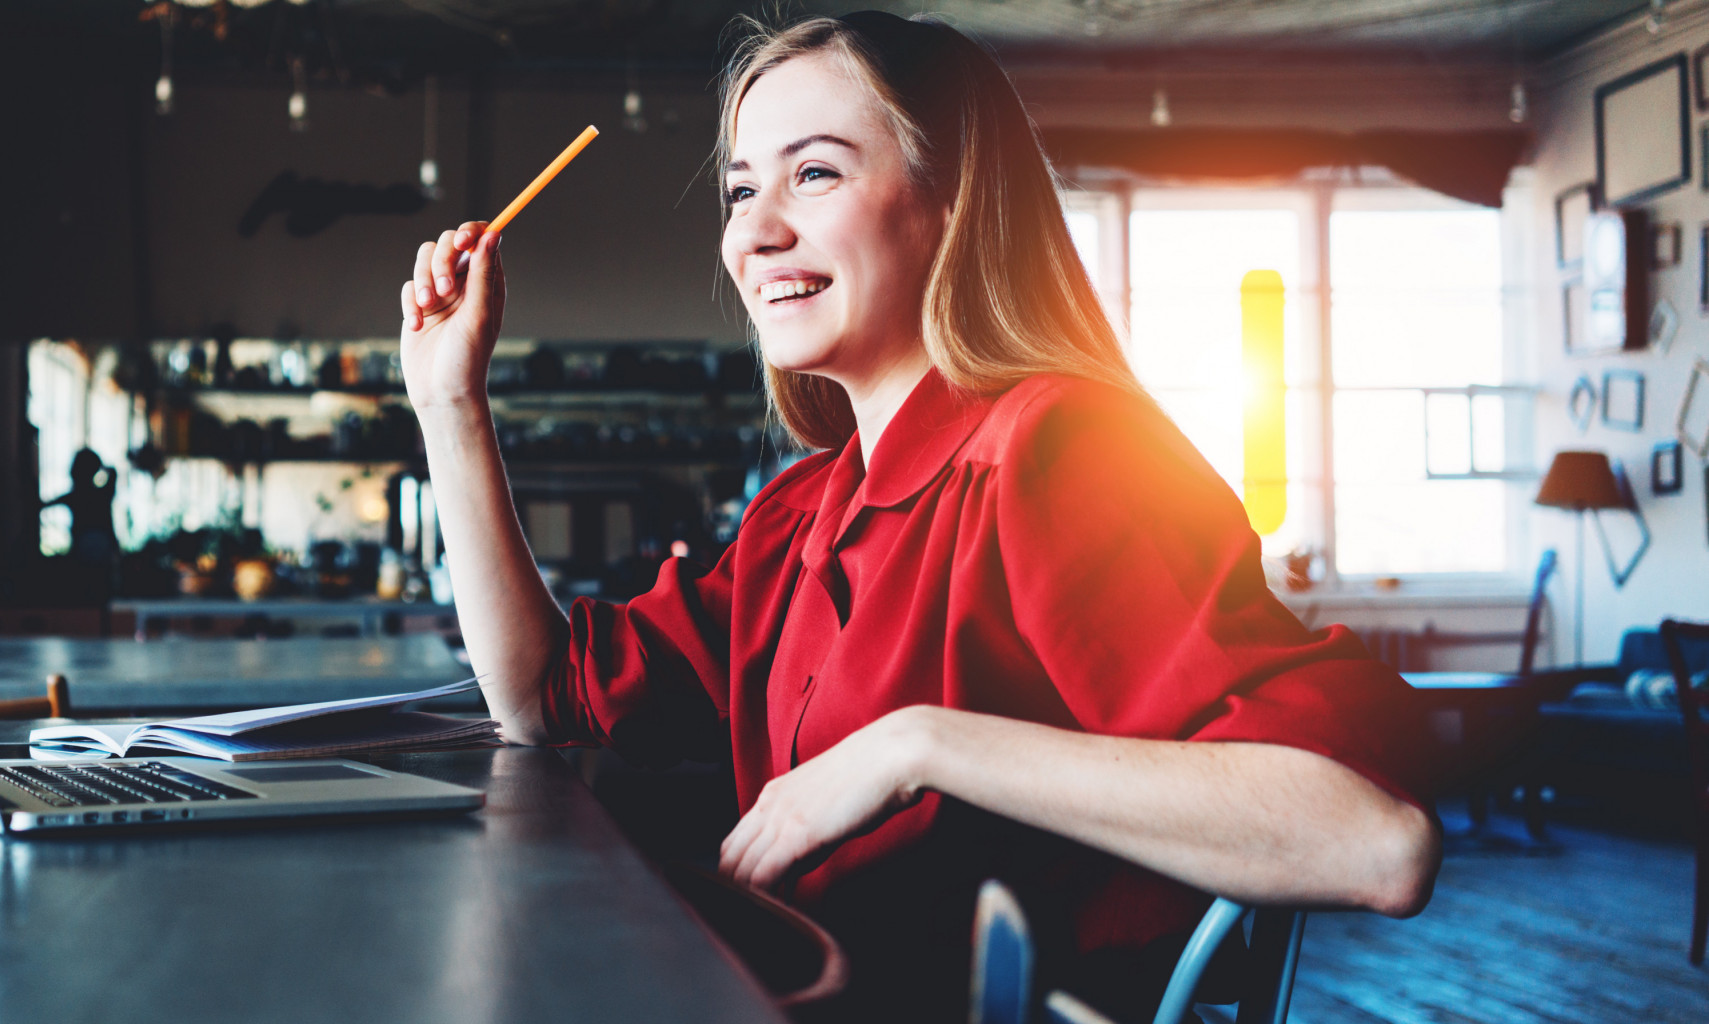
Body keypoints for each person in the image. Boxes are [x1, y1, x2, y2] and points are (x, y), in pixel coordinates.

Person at [396, 13, 1438, 1023]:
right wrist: (450, 401)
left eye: (814, 173)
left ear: (949, 202)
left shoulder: (1060, 450)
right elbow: (537, 696)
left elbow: (1367, 838)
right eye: (740, 188)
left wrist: (917, 746)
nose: (755, 231)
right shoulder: (800, 513)